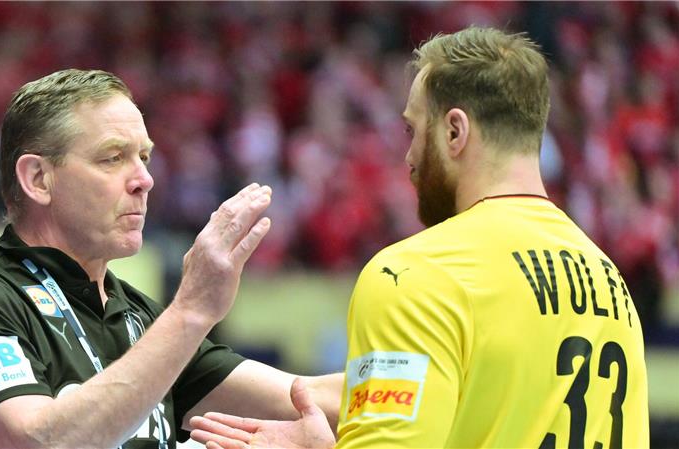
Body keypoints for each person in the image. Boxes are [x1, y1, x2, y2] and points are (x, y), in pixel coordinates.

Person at [189, 26, 650, 449]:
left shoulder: (415, 274)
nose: (408, 156)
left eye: (413, 129)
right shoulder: (610, 283)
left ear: (455, 131)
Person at [0, 69, 342, 449]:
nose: (145, 179)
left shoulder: (143, 322)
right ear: (38, 178)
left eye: (144, 156)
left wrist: (408, 361)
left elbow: (317, 398)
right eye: (113, 158)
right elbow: (42, 440)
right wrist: (191, 310)